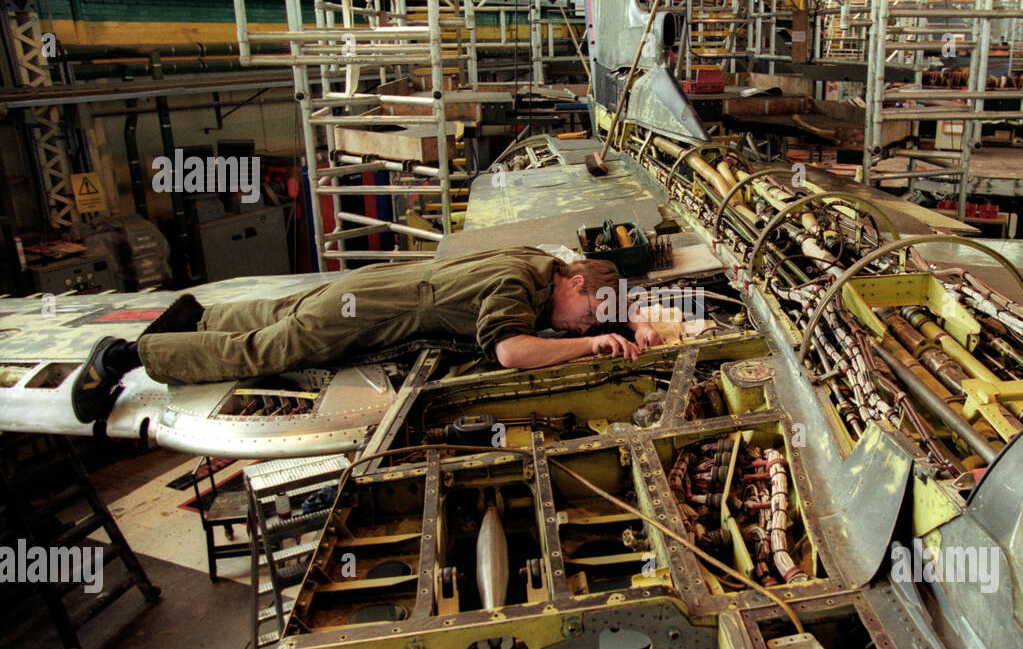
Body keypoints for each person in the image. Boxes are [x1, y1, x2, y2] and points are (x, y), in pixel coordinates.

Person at [71, 246, 663, 423]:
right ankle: (125, 356)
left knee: (278, 313)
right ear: (576, 280)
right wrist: (585, 346)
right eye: (587, 313)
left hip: (365, 287)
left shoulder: (535, 262)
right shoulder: (516, 292)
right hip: (365, 317)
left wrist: (630, 321)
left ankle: (193, 319)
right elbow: (511, 351)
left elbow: (591, 304)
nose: (583, 324)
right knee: (269, 349)